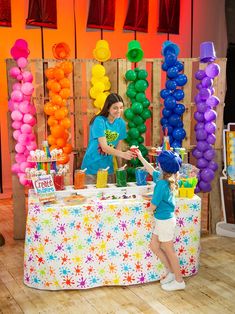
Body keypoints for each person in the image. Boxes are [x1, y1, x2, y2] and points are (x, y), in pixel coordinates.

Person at [136, 149, 185, 291]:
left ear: (162, 166)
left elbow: (153, 206)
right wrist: (140, 157)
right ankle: (170, 272)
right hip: (163, 221)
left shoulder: (161, 184)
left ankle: (179, 280)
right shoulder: (167, 178)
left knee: (169, 251)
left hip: (165, 222)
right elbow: (151, 170)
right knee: (154, 246)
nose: (157, 166)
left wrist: (143, 210)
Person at [81, 93, 135, 183]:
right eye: (115, 108)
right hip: (91, 167)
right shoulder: (99, 121)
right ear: (108, 108)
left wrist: (120, 167)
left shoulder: (121, 123)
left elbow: (118, 146)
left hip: (107, 168)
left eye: (121, 107)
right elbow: (104, 147)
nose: (119, 111)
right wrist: (123, 154)